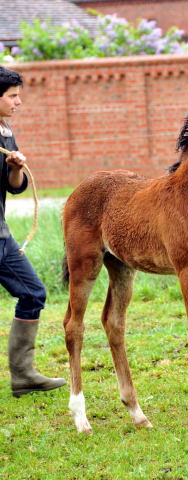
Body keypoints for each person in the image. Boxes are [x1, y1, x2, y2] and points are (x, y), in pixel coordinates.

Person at [0, 65, 65, 397]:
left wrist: (14, 168)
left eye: (18, 95)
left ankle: (23, 375)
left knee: (33, 293)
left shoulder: (6, 133)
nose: (19, 102)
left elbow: (14, 188)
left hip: (1, 237)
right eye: (12, 96)